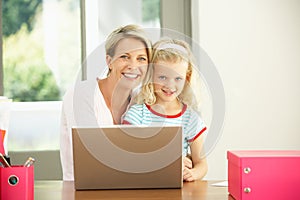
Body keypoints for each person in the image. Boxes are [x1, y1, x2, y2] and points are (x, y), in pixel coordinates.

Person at [60, 24, 152, 181]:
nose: (133, 66)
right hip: (84, 191)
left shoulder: (141, 100)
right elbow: (93, 155)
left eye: (141, 59)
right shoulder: (81, 94)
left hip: (126, 189)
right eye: (124, 56)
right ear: (109, 61)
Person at [122, 38, 208, 181]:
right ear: (151, 76)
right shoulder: (137, 115)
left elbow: (202, 164)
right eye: (162, 77)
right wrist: (171, 162)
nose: (170, 85)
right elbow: (130, 159)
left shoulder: (190, 119)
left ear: (186, 78)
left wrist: (193, 174)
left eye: (178, 79)